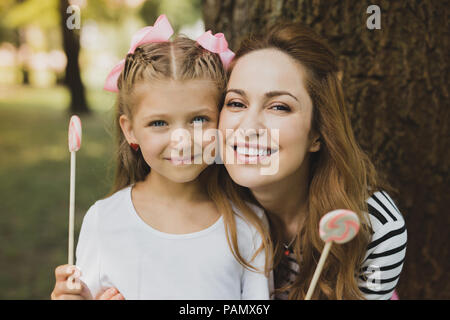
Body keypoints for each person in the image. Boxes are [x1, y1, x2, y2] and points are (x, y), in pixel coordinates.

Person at [50, 15, 272, 300]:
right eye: (159, 123)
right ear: (130, 131)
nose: (182, 140)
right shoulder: (103, 220)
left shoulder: (249, 225)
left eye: (199, 119)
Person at [217, 22, 407, 300]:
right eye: (236, 103)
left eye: (279, 107)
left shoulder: (375, 227)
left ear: (317, 133)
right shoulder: (204, 204)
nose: (248, 127)